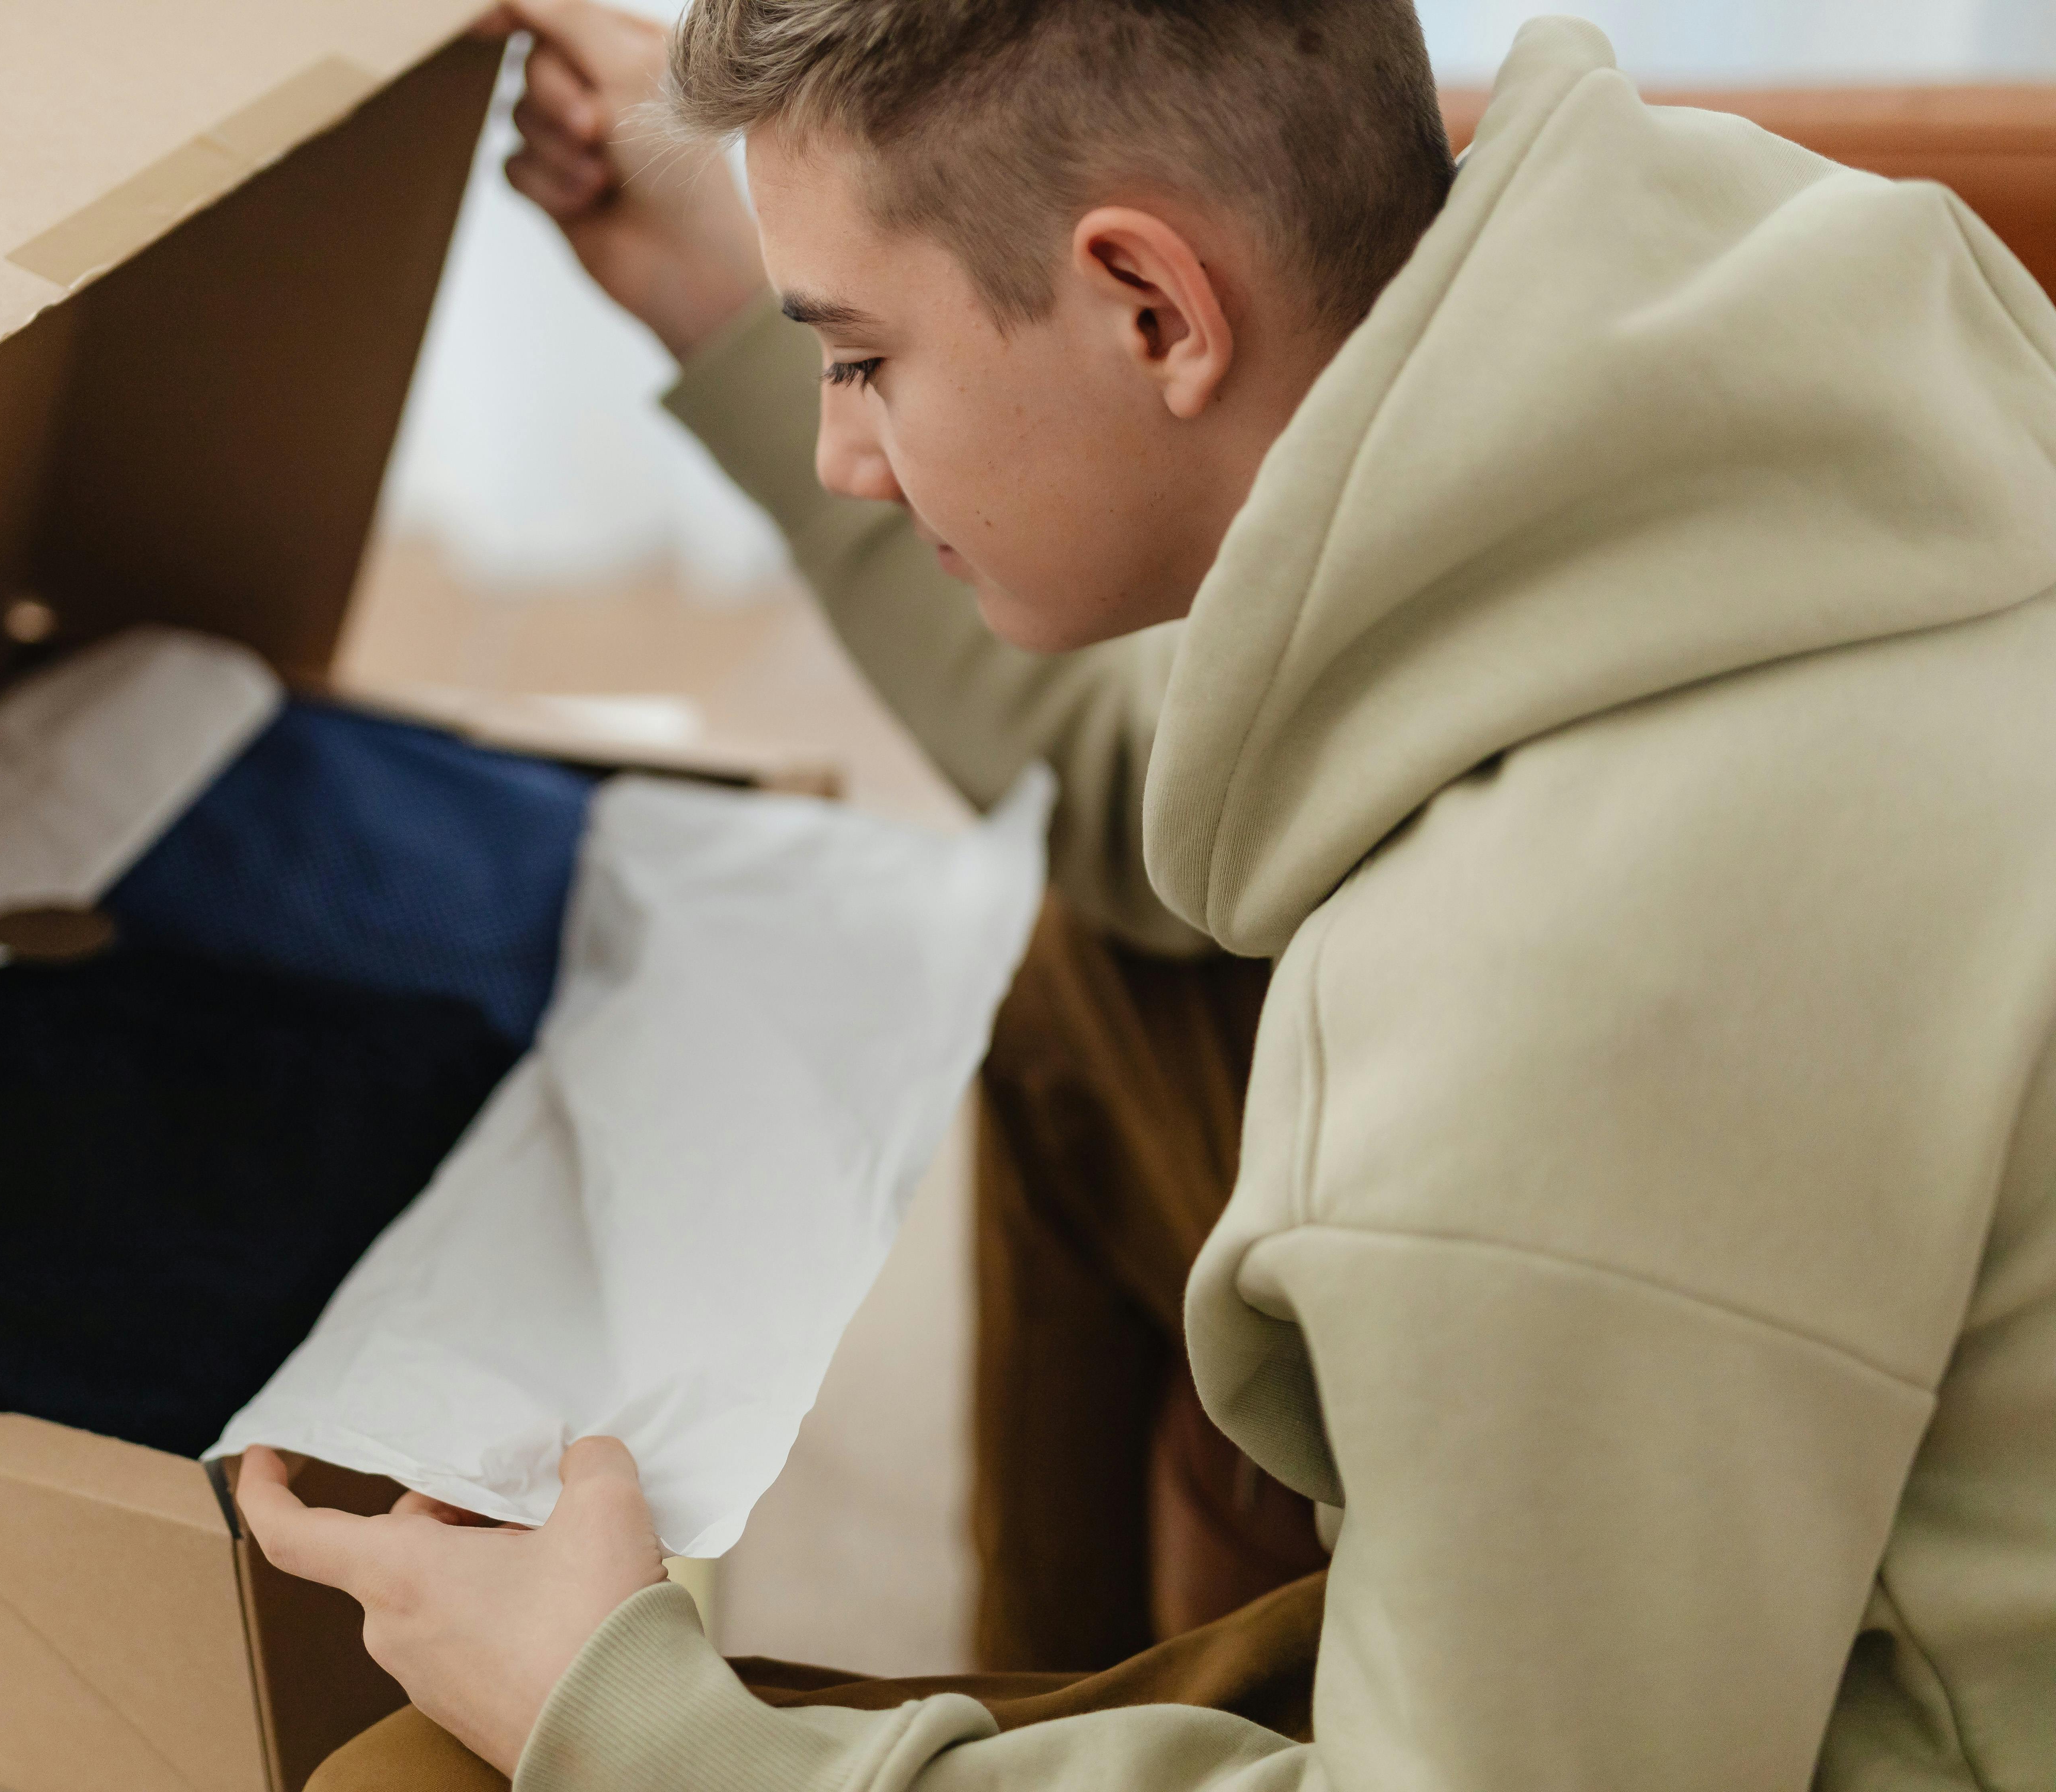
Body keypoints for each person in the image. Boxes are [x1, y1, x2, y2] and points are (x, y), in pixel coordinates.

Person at [240, 1, 2056, 1787]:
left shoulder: (1532, 1036)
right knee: (1096, 977)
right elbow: (1151, 771)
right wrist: (745, 299)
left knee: (411, 1779)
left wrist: (642, 1727)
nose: (840, 456)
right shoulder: (1722, 353)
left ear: (1154, 307)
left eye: (864, 358)